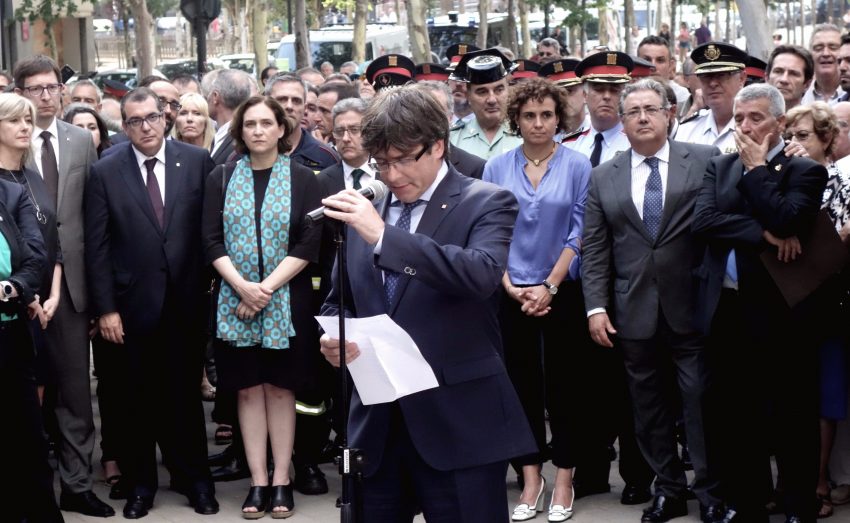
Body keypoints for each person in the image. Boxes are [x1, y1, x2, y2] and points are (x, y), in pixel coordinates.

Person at [318, 85, 536, 522]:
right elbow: (339, 301)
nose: (392, 174)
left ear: (438, 146)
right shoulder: (366, 210)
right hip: (378, 425)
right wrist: (334, 338)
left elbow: (479, 275)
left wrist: (383, 237)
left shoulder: (485, 201)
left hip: (460, 421)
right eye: (382, 162)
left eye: (402, 159)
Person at [582, 78, 724, 523]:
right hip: (632, 311)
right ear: (621, 124)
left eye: (651, 109)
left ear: (669, 114)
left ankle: (712, 491)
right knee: (648, 406)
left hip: (693, 306)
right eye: (633, 112)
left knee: (699, 400)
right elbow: (595, 247)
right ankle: (669, 489)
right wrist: (596, 306)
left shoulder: (704, 161)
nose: (642, 117)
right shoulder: (604, 175)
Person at [692, 83, 829, 523]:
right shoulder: (719, 166)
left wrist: (756, 173)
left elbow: (790, 217)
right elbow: (704, 219)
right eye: (739, 119)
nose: (746, 128)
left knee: (792, 413)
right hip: (728, 308)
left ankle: (798, 504)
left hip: (783, 309)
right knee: (738, 413)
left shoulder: (804, 170)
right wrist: (761, 233)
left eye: (756, 118)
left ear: (781, 123)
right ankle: (749, 502)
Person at [84, 87, 219, 519]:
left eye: (151, 118)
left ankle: (195, 481)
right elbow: (98, 246)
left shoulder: (197, 162)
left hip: (186, 304)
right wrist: (105, 308)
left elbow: (210, 233)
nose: (145, 127)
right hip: (130, 307)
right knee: (136, 402)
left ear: (166, 117)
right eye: (134, 121)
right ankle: (141, 484)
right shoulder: (106, 172)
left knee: (184, 400)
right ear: (124, 127)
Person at [202, 95, 322, 519]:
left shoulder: (306, 180)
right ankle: (257, 480)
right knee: (249, 391)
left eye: (265, 123)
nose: (257, 131)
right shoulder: (221, 176)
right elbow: (211, 239)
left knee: (280, 389)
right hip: (234, 302)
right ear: (240, 131)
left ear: (280, 129)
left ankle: (282, 479)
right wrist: (241, 287)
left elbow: (309, 242)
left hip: (286, 302)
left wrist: (264, 289)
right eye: (249, 124)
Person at [482, 77, 591, 522]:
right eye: (529, 116)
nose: (538, 123)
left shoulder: (578, 165)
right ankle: (531, 475)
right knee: (517, 386)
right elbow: (492, 232)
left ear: (558, 117)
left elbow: (579, 232)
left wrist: (550, 285)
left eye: (546, 115)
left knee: (566, 387)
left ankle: (564, 475)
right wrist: (509, 283)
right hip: (511, 291)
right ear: (516, 119)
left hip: (563, 291)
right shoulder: (497, 167)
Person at [13, 54, 110, 518]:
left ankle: (76, 484)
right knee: (21, 392)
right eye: (37, 89)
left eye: (53, 87)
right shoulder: (8, 139)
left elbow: (90, 220)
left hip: (70, 288)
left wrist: (94, 295)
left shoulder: (78, 141)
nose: (48, 96)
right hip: (18, 288)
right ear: (19, 93)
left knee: (74, 392)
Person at [784, 102, 849, 519]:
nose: (795, 144)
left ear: (827, 140)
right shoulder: (784, 178)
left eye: (804, 136)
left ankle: (819, 482)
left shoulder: (842, 180)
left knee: (823, 395)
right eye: (790, 136)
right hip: (785, 298)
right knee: (788, 395)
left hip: (828, 299)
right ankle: (790, 482)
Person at [0, 175, 56, 522]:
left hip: (11, 334)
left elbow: (36, 257)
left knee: (26, 441)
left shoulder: (12, 193)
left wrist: (13, 287)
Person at [450, 48, 523, 160]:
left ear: (508, 90)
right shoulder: (453, 139)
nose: (492, 100)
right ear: (468, 95)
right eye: (482, 92)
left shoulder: (526, 133)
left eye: (499, 90)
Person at [563, 51, 633, 167]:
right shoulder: (569, 145)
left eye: (614, 90)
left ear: (624, 95)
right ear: (585, 95)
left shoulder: (635, 143)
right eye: (599, 89)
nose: (607, 96)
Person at [676, 42, 748, 154]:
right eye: (706, 76)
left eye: (722, 75)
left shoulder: (755, 129)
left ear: (742, 78)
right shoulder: (687, 129)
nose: (713, 83)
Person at [266, 74, 341, 171]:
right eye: (282, 99)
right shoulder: (248, 154)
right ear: (266, 104)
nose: (289, 106)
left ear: (305, 108)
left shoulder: (326, 158)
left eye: (296, 101)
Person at [414, 81, 487, 179]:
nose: (427, 118)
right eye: (420, 111)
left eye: (436, 111)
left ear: (450, 117)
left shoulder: (475, 168)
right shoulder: (395, 162)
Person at [203, 69, 255, 165]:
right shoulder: (223, 134)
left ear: (215, 97)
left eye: (206, 96)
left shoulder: (241, 139)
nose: (206, 100)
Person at [803, 24, 845, 105]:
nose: (826, 53)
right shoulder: (800, 94)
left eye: (833, 47)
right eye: (818, 48)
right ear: (810, 54)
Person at [766, 45, 814, 111]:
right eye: (778, 71)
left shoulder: (815, 121)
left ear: (807, 84)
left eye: (793, 74)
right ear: (767, 78)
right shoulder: (747, 119)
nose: (784, 80)